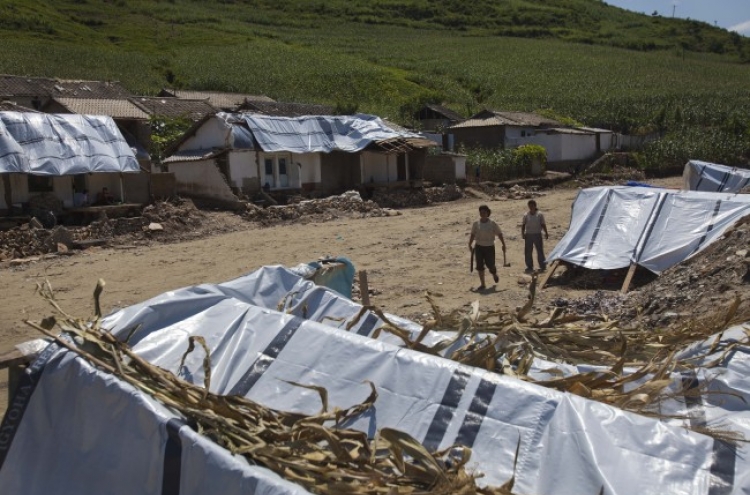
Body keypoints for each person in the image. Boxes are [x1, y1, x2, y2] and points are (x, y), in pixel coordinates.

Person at [468, 204, 506, 291]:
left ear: (487, 213)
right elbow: (473, 234)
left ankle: (494, 274)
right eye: (481, 212)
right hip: (479, 247)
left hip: (489, 247)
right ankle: (483, 284)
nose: (482, 214)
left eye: (484, 212)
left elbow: (499, 234)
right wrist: (469, 244)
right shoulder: (476, 224)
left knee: (491, 265)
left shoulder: (492, 223)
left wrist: (503, 244)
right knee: (480, 266)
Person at [521, 199, 549, 273]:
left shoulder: (539, 214)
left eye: (532, 205)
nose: (531, 207)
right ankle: (529, 266)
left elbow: (543, 224)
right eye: (529, 205)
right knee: (528, 251)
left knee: (539, 250)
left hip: (537, 234)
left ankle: (542, 266)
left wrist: (546, 232)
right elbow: (523, 225)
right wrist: (523, 233)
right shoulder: (526, 215)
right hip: (528, 235)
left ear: (535, 206)